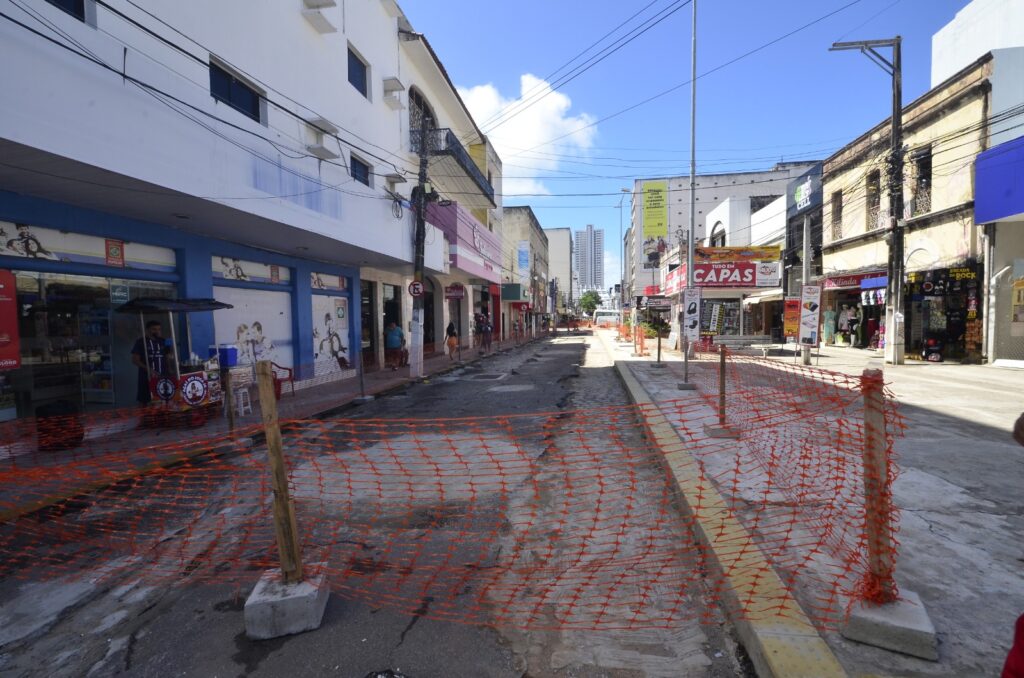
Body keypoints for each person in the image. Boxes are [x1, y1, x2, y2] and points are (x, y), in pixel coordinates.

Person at [130, 320, 171, 405]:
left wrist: (171, 368)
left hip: (163, 376)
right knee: (145, 400)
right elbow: (135, 360)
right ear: (147, 330)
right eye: (154, 329)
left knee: (164, 398)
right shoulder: (140, 342)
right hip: (146, 377)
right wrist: (149, 370)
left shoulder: (164, 341)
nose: (157, 331)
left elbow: (168, 357)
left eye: (159, 329)